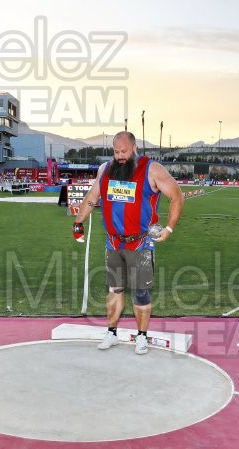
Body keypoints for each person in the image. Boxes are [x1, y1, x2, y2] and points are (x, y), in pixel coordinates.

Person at [71, 131, 185, 355]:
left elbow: (177, 195)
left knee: (140, 292)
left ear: (134, 148)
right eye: (116, 151)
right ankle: (111, 333)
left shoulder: (151, 169)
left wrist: (169, 228)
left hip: (140, 243)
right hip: (114, 243)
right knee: (115, 290)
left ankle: (141, 336)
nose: (120, 156)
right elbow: (92, 197)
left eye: (124, 151)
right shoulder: (106, 170)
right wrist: (78, 223)